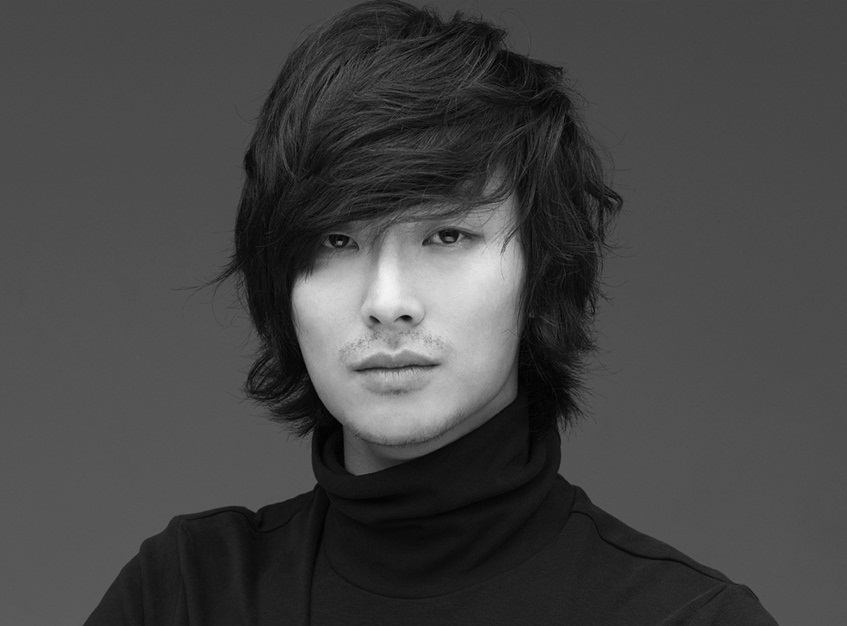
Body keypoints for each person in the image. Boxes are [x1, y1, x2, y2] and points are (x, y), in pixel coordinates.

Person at [86, 1, 777, 623]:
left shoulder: (683, 617)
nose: (388, 304)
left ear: (540, 272)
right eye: (336, 241)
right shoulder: (186, 594)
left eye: (447, 235)